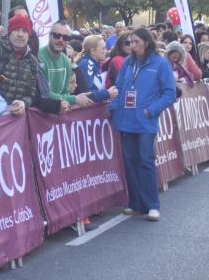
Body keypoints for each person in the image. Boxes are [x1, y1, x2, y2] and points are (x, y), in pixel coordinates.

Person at [109, 28, 176, 222]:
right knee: (129, 162)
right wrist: (114, 107)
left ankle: (152, 205)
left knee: (145, 160)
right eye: (130, 42)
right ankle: (135, 203)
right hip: (126, 120)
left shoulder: (160, 64)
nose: (132, 45)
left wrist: (150, 110)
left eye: (136, 41)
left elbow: (169, 93)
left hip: (145, 122)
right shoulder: (128, 63)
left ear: (146, 42)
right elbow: (119, 87)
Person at [0, 14, 63, 115]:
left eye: (24, 31)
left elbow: (32, 95)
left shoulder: (32, 61)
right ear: (9, 32)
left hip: (17, 120)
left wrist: (23, 103)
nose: (20, 34)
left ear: (29, 35)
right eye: (16, 30)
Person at [38, 21, 93, 110]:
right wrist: (74, 99)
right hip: (40, 114)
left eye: (65, 37)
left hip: (58, 114)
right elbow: (44, 92)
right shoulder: (37, 57)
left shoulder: (66, 61)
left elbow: (65, 93)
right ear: (49, 36)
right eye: (56, 36)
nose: (61, 40)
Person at [77, 35, 113, 103]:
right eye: (103, 48)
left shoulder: (94, 63)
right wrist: (107, 93)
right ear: (92, 51)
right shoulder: (87, 64)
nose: (106, 51)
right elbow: (88, 93)